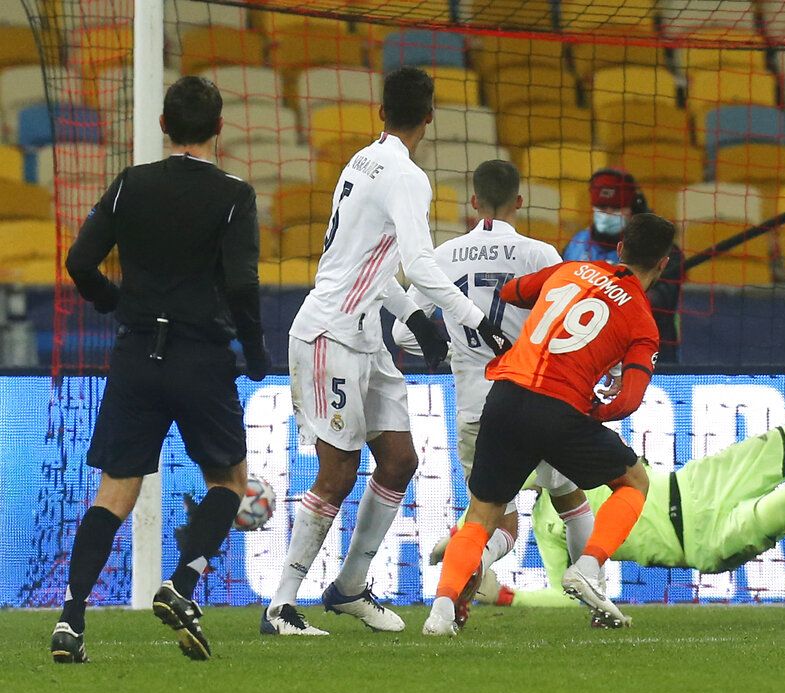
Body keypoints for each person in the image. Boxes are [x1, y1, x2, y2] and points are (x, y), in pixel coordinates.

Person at [260, 66, 508, 636]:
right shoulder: (407, 175)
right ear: (430, 116)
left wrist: (415, 315)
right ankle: (280, 605)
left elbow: (368, 263)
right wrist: (472, 319)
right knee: (339, 472)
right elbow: (418, 264)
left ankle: (348, 587)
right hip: (332, 333)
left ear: (381, 113)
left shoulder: (362, 160)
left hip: (365, 334)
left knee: (399, 461)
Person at [51, 76, 269, 663]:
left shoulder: (130, 185)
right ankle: (181, 585)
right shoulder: (233, 195)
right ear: (219, 129)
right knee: (228, 482)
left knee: (114, 494)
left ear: (162, 126)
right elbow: (243, 283)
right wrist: (254, 351)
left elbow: (78, 261)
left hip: (136, 356)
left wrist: (110, 299)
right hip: (200, 357)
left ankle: (70, 621)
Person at [484, 370, 785, 622]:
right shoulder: (551, 525)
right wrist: (506, 596)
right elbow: (570, 594)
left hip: (697, 485)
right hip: (706, 542)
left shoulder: (575, 448)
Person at [423, 212, 677, 636]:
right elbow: (628, 400)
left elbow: (511, 291)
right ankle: (588, 568)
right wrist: (594, 412)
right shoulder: (643, 323)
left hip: (502, 397)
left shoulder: (570, 269)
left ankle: (441, 612)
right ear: (664, 264)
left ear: (619, 249)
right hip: (559, 410)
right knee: (633, 480)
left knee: (482, 515)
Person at [391, 159, 596, 628]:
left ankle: (455, 590)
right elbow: (567, 327)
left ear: (474, 201)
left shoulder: (442, 256)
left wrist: (451, 347)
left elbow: (408, 336)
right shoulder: (540, 254)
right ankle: (593, 595)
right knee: (570, 500)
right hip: (534, 399)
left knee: (492, 517)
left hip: (474, 407)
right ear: (519, 202)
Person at [563, 169, 682, 361]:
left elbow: (657, 304)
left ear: (634, 207)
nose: (607, 214)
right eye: (601, 207)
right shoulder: (575, 245)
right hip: (585, 356)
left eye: (616, 208)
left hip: (651, 358)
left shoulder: (662, 250)